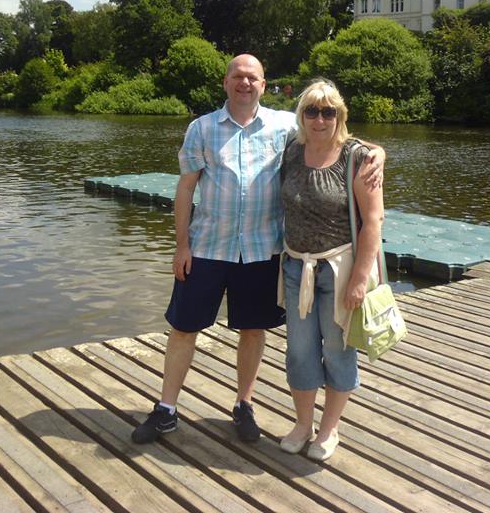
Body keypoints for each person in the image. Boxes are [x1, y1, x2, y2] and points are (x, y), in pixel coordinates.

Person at [132, 55, 384, 445]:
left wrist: (378, 151)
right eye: (238, 76)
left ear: (264, 85)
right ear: (226, 82)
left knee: (252, 330)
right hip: (207, 246)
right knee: (183, 328)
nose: (245, 83)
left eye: (253, 77)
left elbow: (335, 137)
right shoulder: (201, 128)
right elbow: (185, 189)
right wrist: (181, 245)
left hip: (260, 251)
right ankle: (166, 409)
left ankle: (244, 404)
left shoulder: (285, 127)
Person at [277, 79, 385, 461]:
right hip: (296, 267)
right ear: (301, 115)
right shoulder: (292, 149)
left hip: (339, 270)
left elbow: (374, 221)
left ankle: (329, 428)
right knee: (299, 352)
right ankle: (303, 424)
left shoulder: (357, 157)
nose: (319, 119)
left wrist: (359, 280)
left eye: (328, 112)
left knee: (338, 351)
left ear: (339, 115)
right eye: (312, 111)